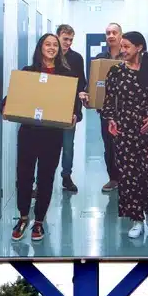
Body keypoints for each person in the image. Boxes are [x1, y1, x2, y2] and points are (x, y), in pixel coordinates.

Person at [1, 33, 80, 243]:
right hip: (28, 133)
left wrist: (75, 116)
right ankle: (24, 217)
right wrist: (5, 107)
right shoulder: (28, 72)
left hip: (52, 135)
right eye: (48, 44)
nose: (52, 48)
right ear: (41, 47)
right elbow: (12, 98)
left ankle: (39, 222)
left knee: (46, 178)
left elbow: (75, 106)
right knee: (24, 177)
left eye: (55, 45)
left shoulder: (65, 75)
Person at [101, 31, 148, 238]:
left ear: (139, 47)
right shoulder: (115, 72)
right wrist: (111, 120)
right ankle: (136, 219)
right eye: (121, 46)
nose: (122, 51)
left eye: (126, 47)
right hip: (125, 132)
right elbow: (109, 101)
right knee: (129, 176)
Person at [56, 24, 88, 193]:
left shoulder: (76, 58)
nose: (68, 43)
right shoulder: (49, 56)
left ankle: (66, 177)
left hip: (69, 110)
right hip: (50, 108)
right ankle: (40, 182)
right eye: (65, 39)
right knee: (47, 146)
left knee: (68, 147)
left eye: (70, 40)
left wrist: (77, 111)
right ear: (57, 37)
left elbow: (81, 82)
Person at [93, 22, 124, 193]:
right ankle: (113, 179)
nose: (111, 35)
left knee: (126, 145)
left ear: (120, 35)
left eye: (114, 32)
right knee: (109, 146)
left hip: (127, 110)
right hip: (106, 111)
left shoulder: (128, 55)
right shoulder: (100, 58)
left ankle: (127, 179)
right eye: (108, 33)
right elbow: (94, 83)